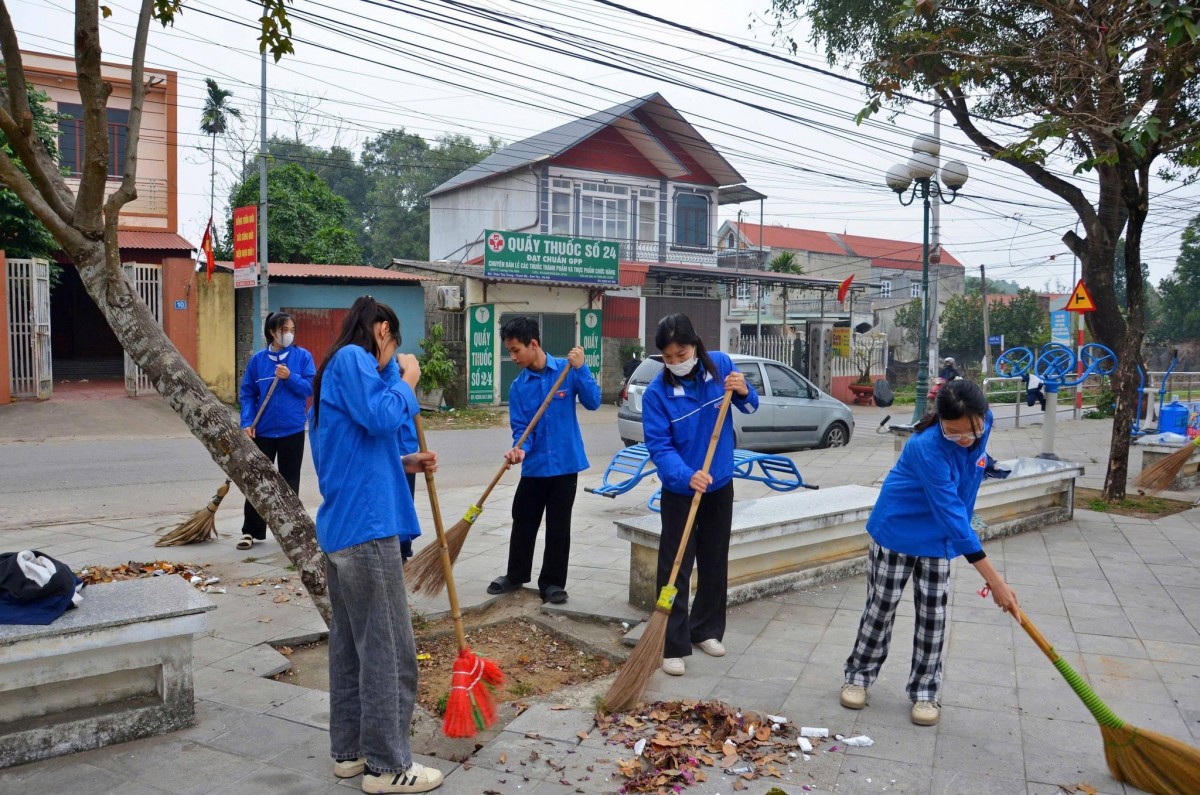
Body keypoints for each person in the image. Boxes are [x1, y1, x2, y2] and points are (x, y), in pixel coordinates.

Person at [308, 296, 443, 793]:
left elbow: (353, 448)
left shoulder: (333, 372)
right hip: (366, 531)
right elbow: (383, 416)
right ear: (382, 329)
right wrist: (408, 377)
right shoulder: (353, 360)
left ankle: (350, 753)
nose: (393, 357)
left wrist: (406, 463)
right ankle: (388, 766)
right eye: (395, 344)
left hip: (344, 529)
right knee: (389, 652)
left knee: (351, 649)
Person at [839, 379, 1019, 727]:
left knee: (933, 615)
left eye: (971, 431)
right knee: (881, 608)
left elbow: (959, 504)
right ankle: (858, 675)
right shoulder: (927, 447)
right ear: (940, 423)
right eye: (953, 433)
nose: (964, 439)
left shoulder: (985, 423)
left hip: (940, 539)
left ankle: (925, 691)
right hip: (898, 529)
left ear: (983, 417)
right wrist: (996, 583)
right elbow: (951, 512)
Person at [640, 313, 759, 678]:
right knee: (675, 566)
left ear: (695, 346)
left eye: (682, 353)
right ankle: (672, 643)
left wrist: (742, 390)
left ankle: (705, 628)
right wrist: (686, 475)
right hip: (681, 490)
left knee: (713, 559)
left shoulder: (720, 366)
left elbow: (750, 406)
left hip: (720, 483)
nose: (676, 362)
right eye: (669, 357)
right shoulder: (656, 394)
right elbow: (659, 448)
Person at [486, 316, 601, 605]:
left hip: (565, 465)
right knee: (522, 518)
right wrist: (519, 448)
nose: (512, 357)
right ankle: (515, 575)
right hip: (535, 465)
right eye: (509, 351)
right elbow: (521, 428)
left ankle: (551, 583)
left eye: (515, 350)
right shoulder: (519, 387)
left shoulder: (566, 371)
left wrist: (582, 367)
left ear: (533, 344)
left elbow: (594, 401)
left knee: (558, 526)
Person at [237, 311, 316, 551]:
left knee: (290, 481)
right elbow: (248, 394)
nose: (289, 334)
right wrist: (247, 422)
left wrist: (290, 377)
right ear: (273, 332)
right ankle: (251, 530)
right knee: (258, 480)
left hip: (292, 429)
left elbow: (310, 389)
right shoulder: (258, 361)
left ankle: (291, 531)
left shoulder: (302, 357)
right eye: (285, 330)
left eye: (292, 329)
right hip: (263, 431)